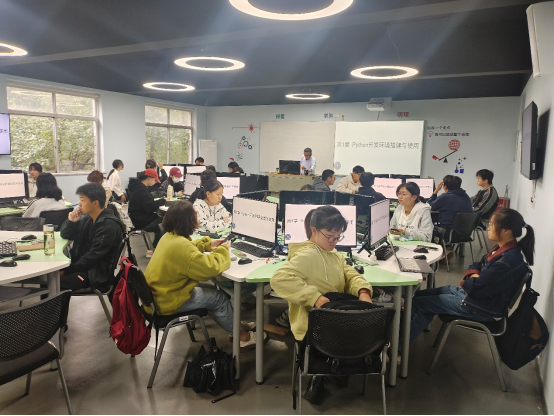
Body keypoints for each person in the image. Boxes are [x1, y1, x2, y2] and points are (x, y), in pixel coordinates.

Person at [271, 205, 373, 405]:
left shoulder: (333, 254)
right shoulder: (307, 255)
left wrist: (362, 290)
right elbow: (279, 278)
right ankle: (329, 371)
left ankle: (330, 370)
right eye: (330, 236)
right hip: (315, 329)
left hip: (333, 321)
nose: (334, 242)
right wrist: (313, 297)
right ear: (314, 230)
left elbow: (349, 273)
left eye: (338, 237)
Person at [408, 208, 534, 347]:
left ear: (506, 231)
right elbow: (476, 264)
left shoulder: (507, 262)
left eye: (492, 225)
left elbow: (474, 288)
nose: (488, 228)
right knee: (419, 295)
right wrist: (476, 275)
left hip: (481, 308)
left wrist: (474, 276)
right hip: (480, 299)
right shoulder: (503, 249)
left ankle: (400, 348)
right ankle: (407, 333)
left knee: (421, 303)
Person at [144, 201, 262, 350]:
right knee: (218, 298)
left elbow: (187, 248)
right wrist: (223, 250)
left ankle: (234, 324)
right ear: (188, 221)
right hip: (169, 301)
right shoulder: (181, 246)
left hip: (159, 297)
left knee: (212, 291)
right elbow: (210, 268)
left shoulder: (168, 237)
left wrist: (208, 245)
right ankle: (242, 337)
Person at [59, 183, 126, 291]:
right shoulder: (88, 219)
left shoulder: (108, 226)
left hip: (94, 275)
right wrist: (71, 222)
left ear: (95, 203)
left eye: (82, 200)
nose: (79, 204)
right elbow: (65, 235)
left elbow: (92, 257)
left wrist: (67, 271)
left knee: (53, 284)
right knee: (50, 280)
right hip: (85, 268)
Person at [128, 170, 170, 252]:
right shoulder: (141, 190)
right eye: (154, 180)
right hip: (141, 221)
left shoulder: (138, 187)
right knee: (166, 222)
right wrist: (163, 201)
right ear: (149, 178)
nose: (155, 182)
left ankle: (154, 247)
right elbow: (151, 206)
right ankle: (157, 249)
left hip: (136, 218)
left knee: (162, 219)